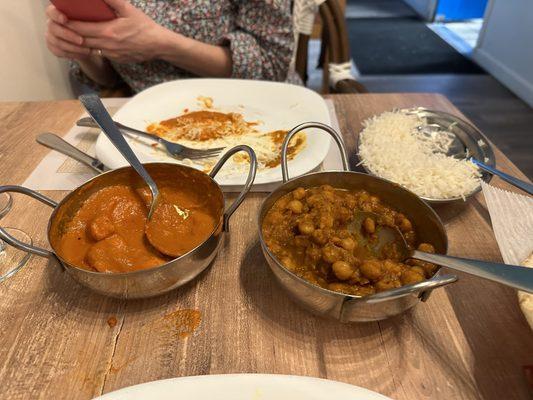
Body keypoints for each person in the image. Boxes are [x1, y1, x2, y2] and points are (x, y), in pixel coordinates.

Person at [45, 0, 295, 93]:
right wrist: (81, 49)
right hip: (147, 120)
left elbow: (272, 64)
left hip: (253, 102)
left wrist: (162, 44)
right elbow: (107, 79)